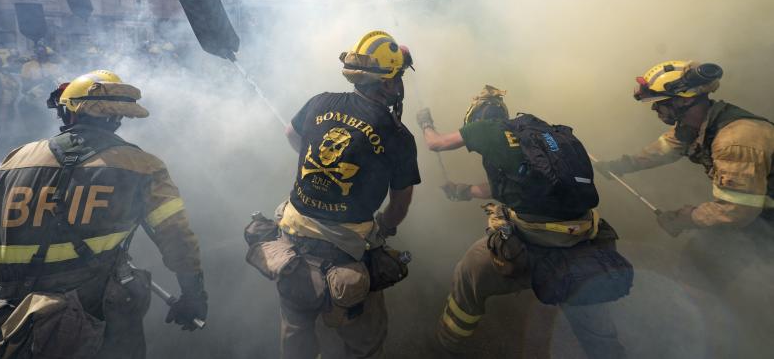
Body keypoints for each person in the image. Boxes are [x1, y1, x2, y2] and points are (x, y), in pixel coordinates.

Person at [0, 70, 206, 358]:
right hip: (95, 315)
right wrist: (193, 295)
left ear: (67, 113)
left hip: (13, 316)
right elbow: (175, 237)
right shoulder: (141, 165)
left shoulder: (17, 159)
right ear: (118, 118)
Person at [417, 86, 627, 358]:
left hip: (534, 241)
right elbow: (509, 186)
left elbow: (436, 143)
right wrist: (465, 190)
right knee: (593, 322)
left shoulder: (485, 129)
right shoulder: (537, 135)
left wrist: (425, 122)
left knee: (469, 272)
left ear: (475, 118)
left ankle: (445, 343)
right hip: (583, 239)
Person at [254, 30, 420, 359]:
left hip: (290, 242)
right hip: (347, 256)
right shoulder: (398, 136)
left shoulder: (321, 101)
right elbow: (399, 204)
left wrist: (314, 168)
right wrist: (384, 228)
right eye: (398, 77)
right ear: (387, 84)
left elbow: (291, 133)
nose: (400, 84)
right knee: (365, 338)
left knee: (296, 328)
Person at [595, 61, 774, 236]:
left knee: (705, 252)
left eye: (660, 101)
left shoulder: (735, 141)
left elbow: (736, 210)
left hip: (760, 214)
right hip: (758, 210)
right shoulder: (698, 125)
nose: (654, 108)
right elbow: (665, 148)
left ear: (683, 100)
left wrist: (686, 218)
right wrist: (622, 165)